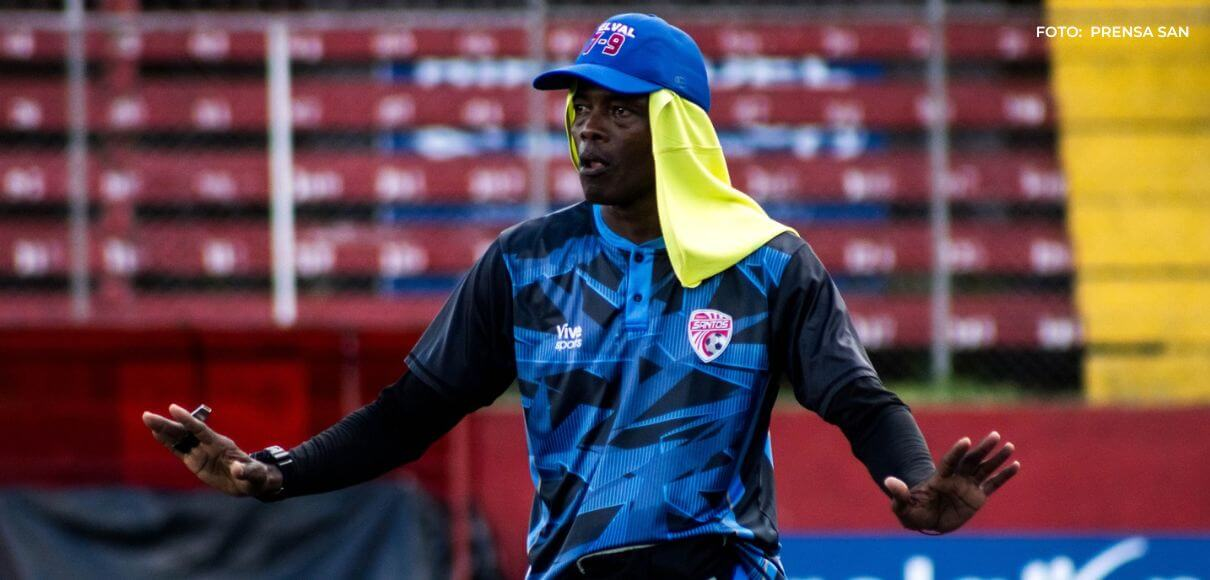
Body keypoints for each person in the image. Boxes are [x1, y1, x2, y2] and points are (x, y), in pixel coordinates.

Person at [143, 13, 1019, 579]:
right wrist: (277, 472)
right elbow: (412, 412)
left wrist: (915, 483)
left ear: (677, 130)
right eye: (581, 107)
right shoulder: (524, 264)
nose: (589, 128)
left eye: (619, 110)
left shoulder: (768, 264)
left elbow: (857, 399)